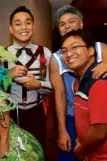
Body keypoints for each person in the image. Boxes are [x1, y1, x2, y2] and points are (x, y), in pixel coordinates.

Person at [50, 5, 107, 161]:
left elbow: (100, 131)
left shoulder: (101, 48)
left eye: (71, 21)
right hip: (72, 116)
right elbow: (60, 94)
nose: (67, 26)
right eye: (62, 24)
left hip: (98, 117)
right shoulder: (57, 58)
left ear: (81, 24)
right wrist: (62, 129)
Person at [6, 6, 52, 149]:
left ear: (33, 26)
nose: (23, 27)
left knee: (37, 151)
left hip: (36, 113)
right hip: (11, 113)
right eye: (18, 23)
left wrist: (38, 84)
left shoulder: (45, 53)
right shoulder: (1, 54)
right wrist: (8, 75)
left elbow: (54, 86)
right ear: (11, 29)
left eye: (28, 22)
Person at [61, 29, 107, 161]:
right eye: (64, 51)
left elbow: (100, 131)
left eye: (74, 47)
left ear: (91, 51)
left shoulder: (98, 81)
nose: (68, 54)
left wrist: (81, 150)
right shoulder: (81, 81)